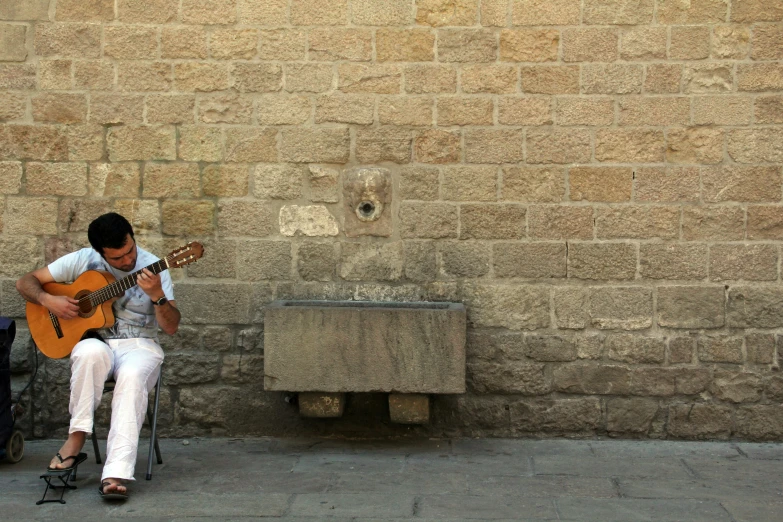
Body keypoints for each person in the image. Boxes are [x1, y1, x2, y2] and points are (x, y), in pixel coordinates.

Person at [16, 212, 179, 500]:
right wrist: (48, 300)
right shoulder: (83, 260)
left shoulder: (155, 267)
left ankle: (115, 471)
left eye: (130, 251)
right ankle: (75, 440)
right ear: (100, 253)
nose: (127, 261)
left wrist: (157, 295)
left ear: (132, 237)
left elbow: (171, 327)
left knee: (130, 376)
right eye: (117, 259)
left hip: (140, 345)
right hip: (97, 342)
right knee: (88, 352)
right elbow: (25, 282)